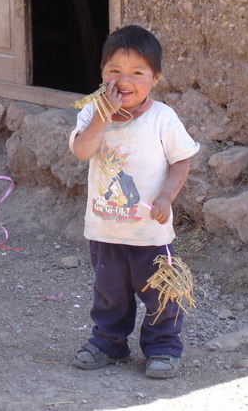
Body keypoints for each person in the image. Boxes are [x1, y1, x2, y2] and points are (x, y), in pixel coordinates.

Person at [68, 24, 199, 379]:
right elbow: (82, 150)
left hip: (150, 233)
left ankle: (163, 348)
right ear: (102, 75)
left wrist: (167, 197)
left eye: (137, 72)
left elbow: (181, 161)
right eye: (115, 71)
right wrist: (102, 117)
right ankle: (109, 343)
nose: (124, 80)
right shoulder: (92, 113)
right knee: (109, 295)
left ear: (155, 78)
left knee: (162, 294)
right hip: (105, 228)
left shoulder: (163, 118)